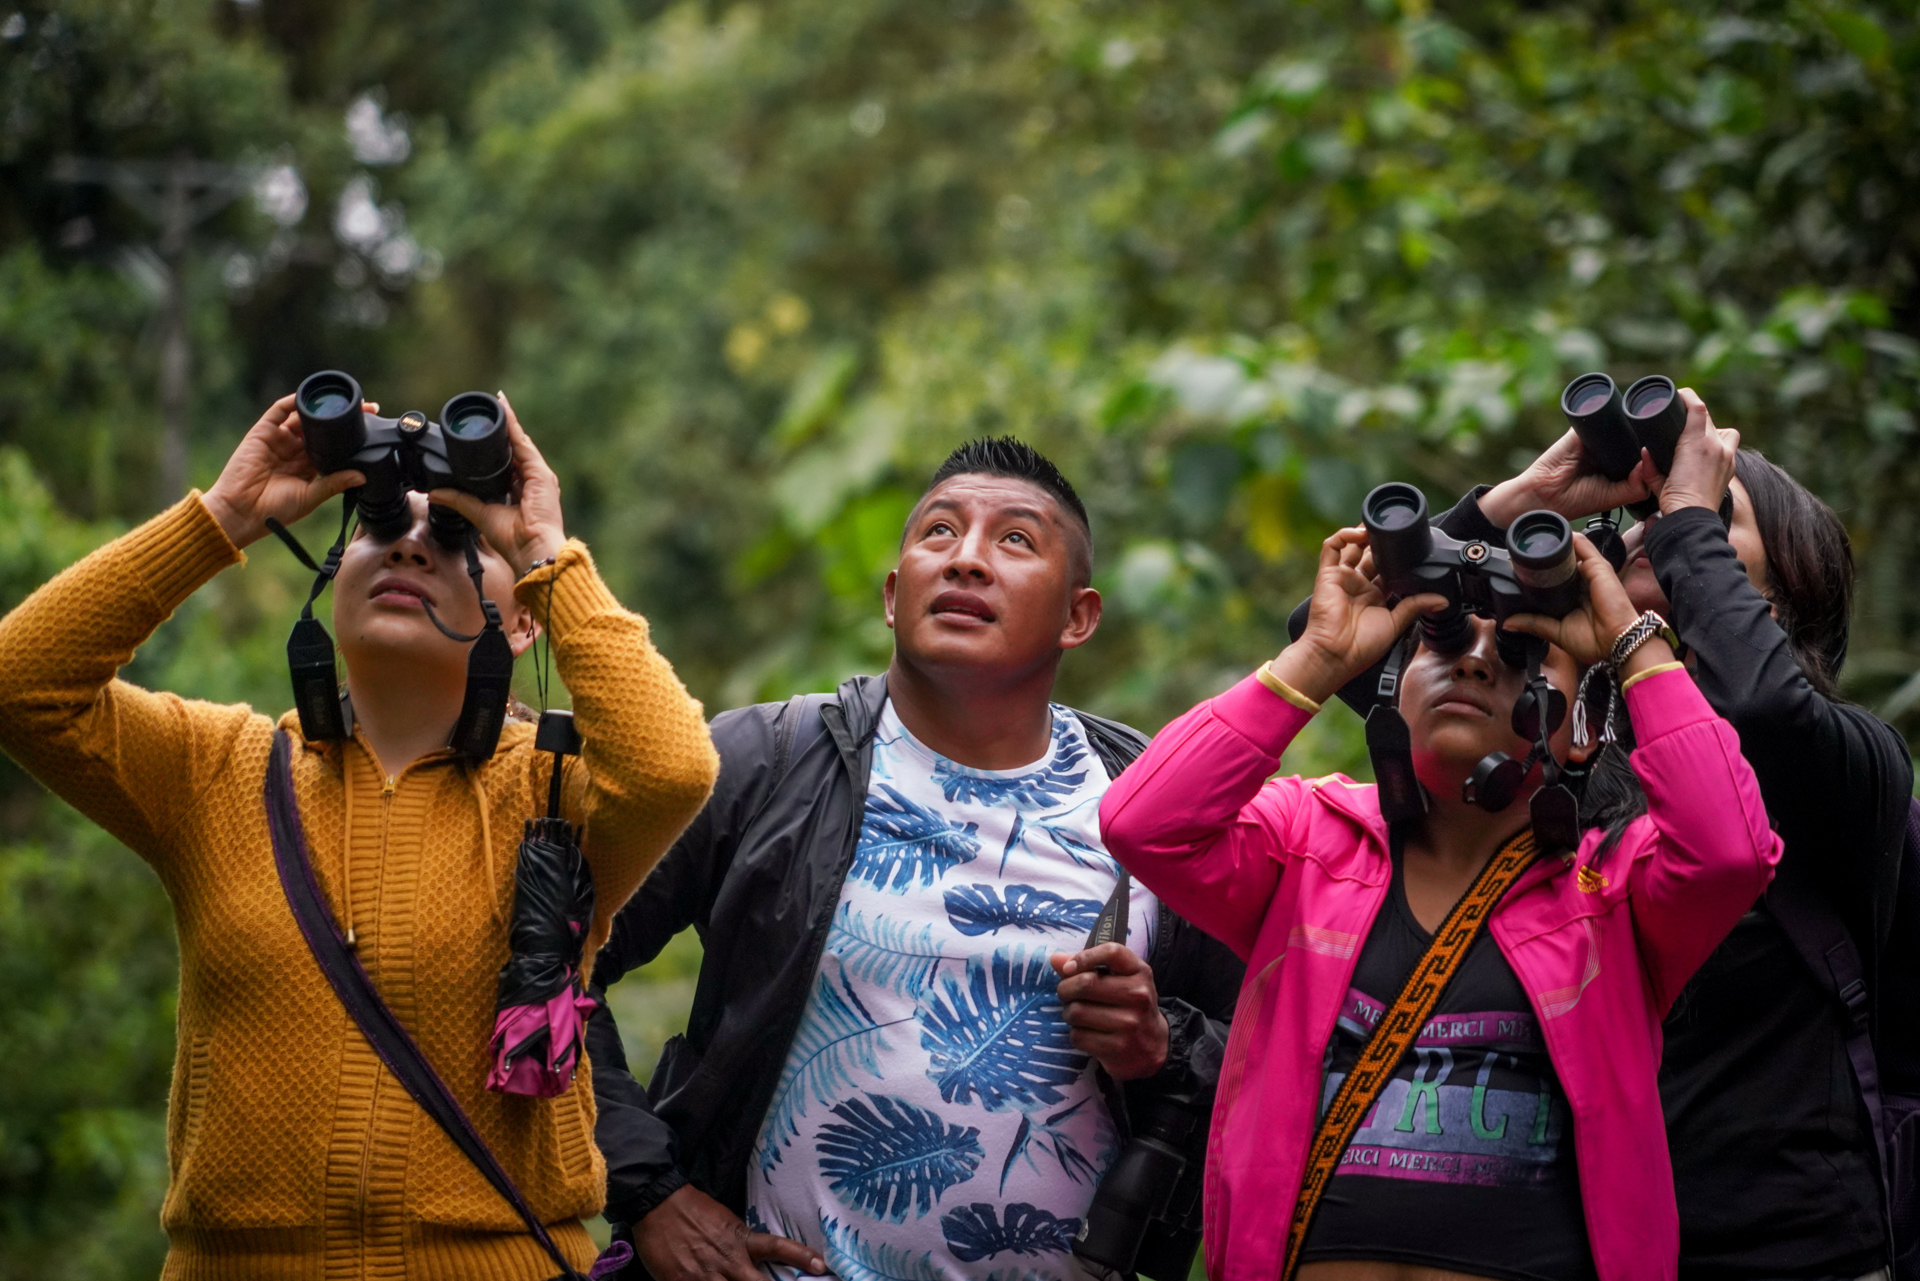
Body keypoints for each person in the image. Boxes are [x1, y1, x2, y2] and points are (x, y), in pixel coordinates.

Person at [0, 392, 719, 1279]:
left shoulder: (557, 792)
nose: (412, 543)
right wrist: (223, 519)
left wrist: (544, 550)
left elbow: (674, 766)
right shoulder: (215, 771)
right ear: (330, 581)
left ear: (526, 615)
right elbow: (20, 682)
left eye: (459, 539)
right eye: (379, 529)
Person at [585, 438, 1244, 1281]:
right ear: (894, 595)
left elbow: (1278, 1048)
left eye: (1015, 540)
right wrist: (651, 1192)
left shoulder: (1154, 805)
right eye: (939, 531)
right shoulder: (764, 763)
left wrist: (1161, 1044)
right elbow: (550, 964)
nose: (966, 559)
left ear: (1079, 616)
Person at [1098, 519, 1783, 1280]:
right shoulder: (1303, 842)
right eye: (1443, 640)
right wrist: (1320, 656)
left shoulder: (1614, 887)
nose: (1480, 659)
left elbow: (1732, 850)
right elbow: (1144, 822)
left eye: (1525, 654)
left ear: (1581, 731)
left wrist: (1627, 638)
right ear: (1391, 682)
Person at [1475, 393, 1913, 1280]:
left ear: (1786, 587)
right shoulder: (1580, 779)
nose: (1657, 531)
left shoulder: (1854, 761)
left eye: (1716, 519)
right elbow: (1376, 660)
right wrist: (1517, 505)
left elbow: (1763, 710)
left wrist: (1681, 516)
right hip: (1592, 1250)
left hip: (1802, 1251)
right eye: (1649, 522)